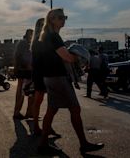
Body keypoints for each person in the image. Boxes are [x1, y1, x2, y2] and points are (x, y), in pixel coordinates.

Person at [38, 8, 104, 154]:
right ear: (52, 19)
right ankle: (83, 144)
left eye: (65, 17)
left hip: (50, 77)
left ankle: (43, 144)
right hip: (58, 78)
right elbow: (66, 57)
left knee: (51, 110)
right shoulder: (54, 36)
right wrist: (79, 58)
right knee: (75, 109)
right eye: (61, 17)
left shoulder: (47, 36)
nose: (64, 20)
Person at [31, 18, 60, 137]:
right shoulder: (44, 39)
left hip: (38, 73)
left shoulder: (35, 41)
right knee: (50, 102)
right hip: (45, 73)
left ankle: (39, 127)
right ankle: (43, 127)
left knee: (39, 101)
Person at [13, 29, 34, 119]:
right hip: (25, 70)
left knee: (28, 91)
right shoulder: (24, 43)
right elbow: (22, 57)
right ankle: (17, 112)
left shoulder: (23, 43)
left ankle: (28, 112)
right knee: (23, 91)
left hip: (24, 70)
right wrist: (28, 66)